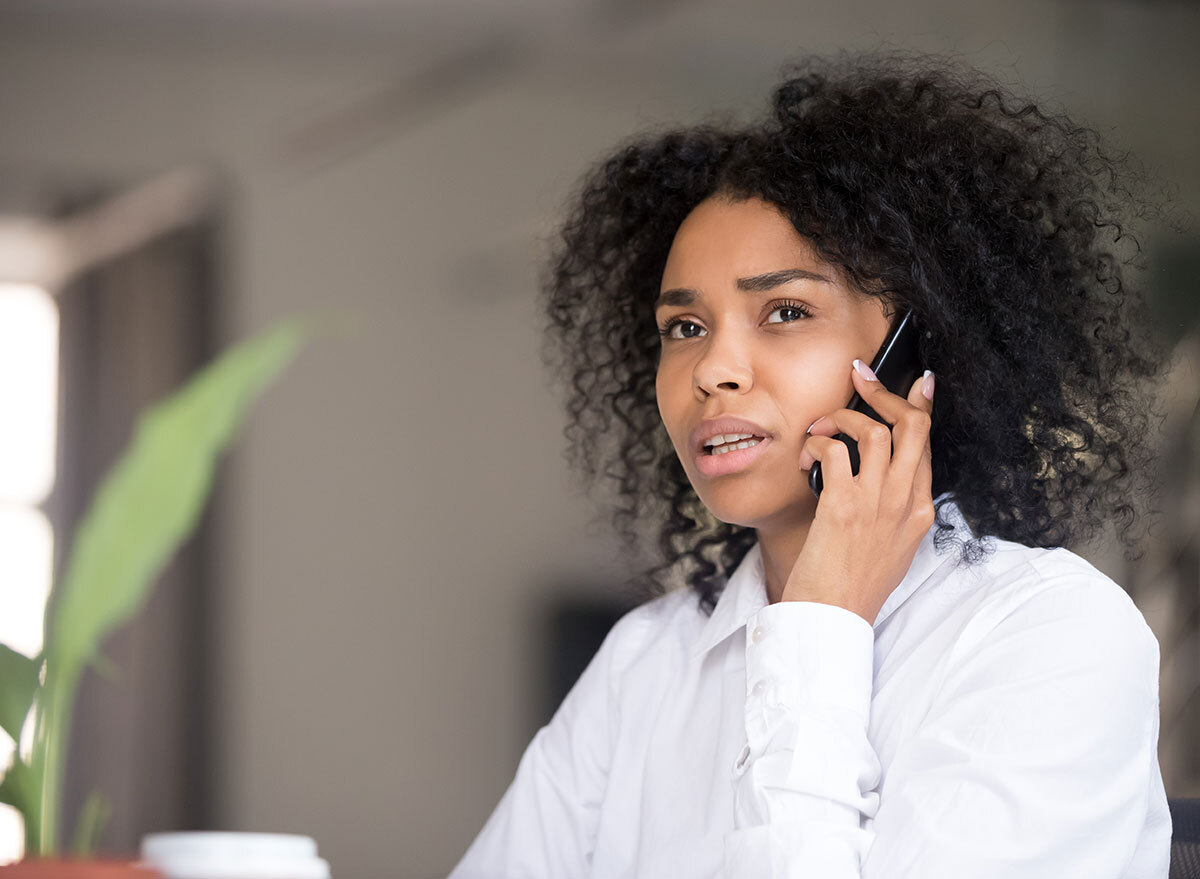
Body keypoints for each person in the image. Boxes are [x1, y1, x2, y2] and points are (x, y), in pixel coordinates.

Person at [447, 49, 1175, 878]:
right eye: (684, 327)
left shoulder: (1049, 636)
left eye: (785, 311)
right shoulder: (647, 662)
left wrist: (821, 629)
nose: (713, 369)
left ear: (919, 353)